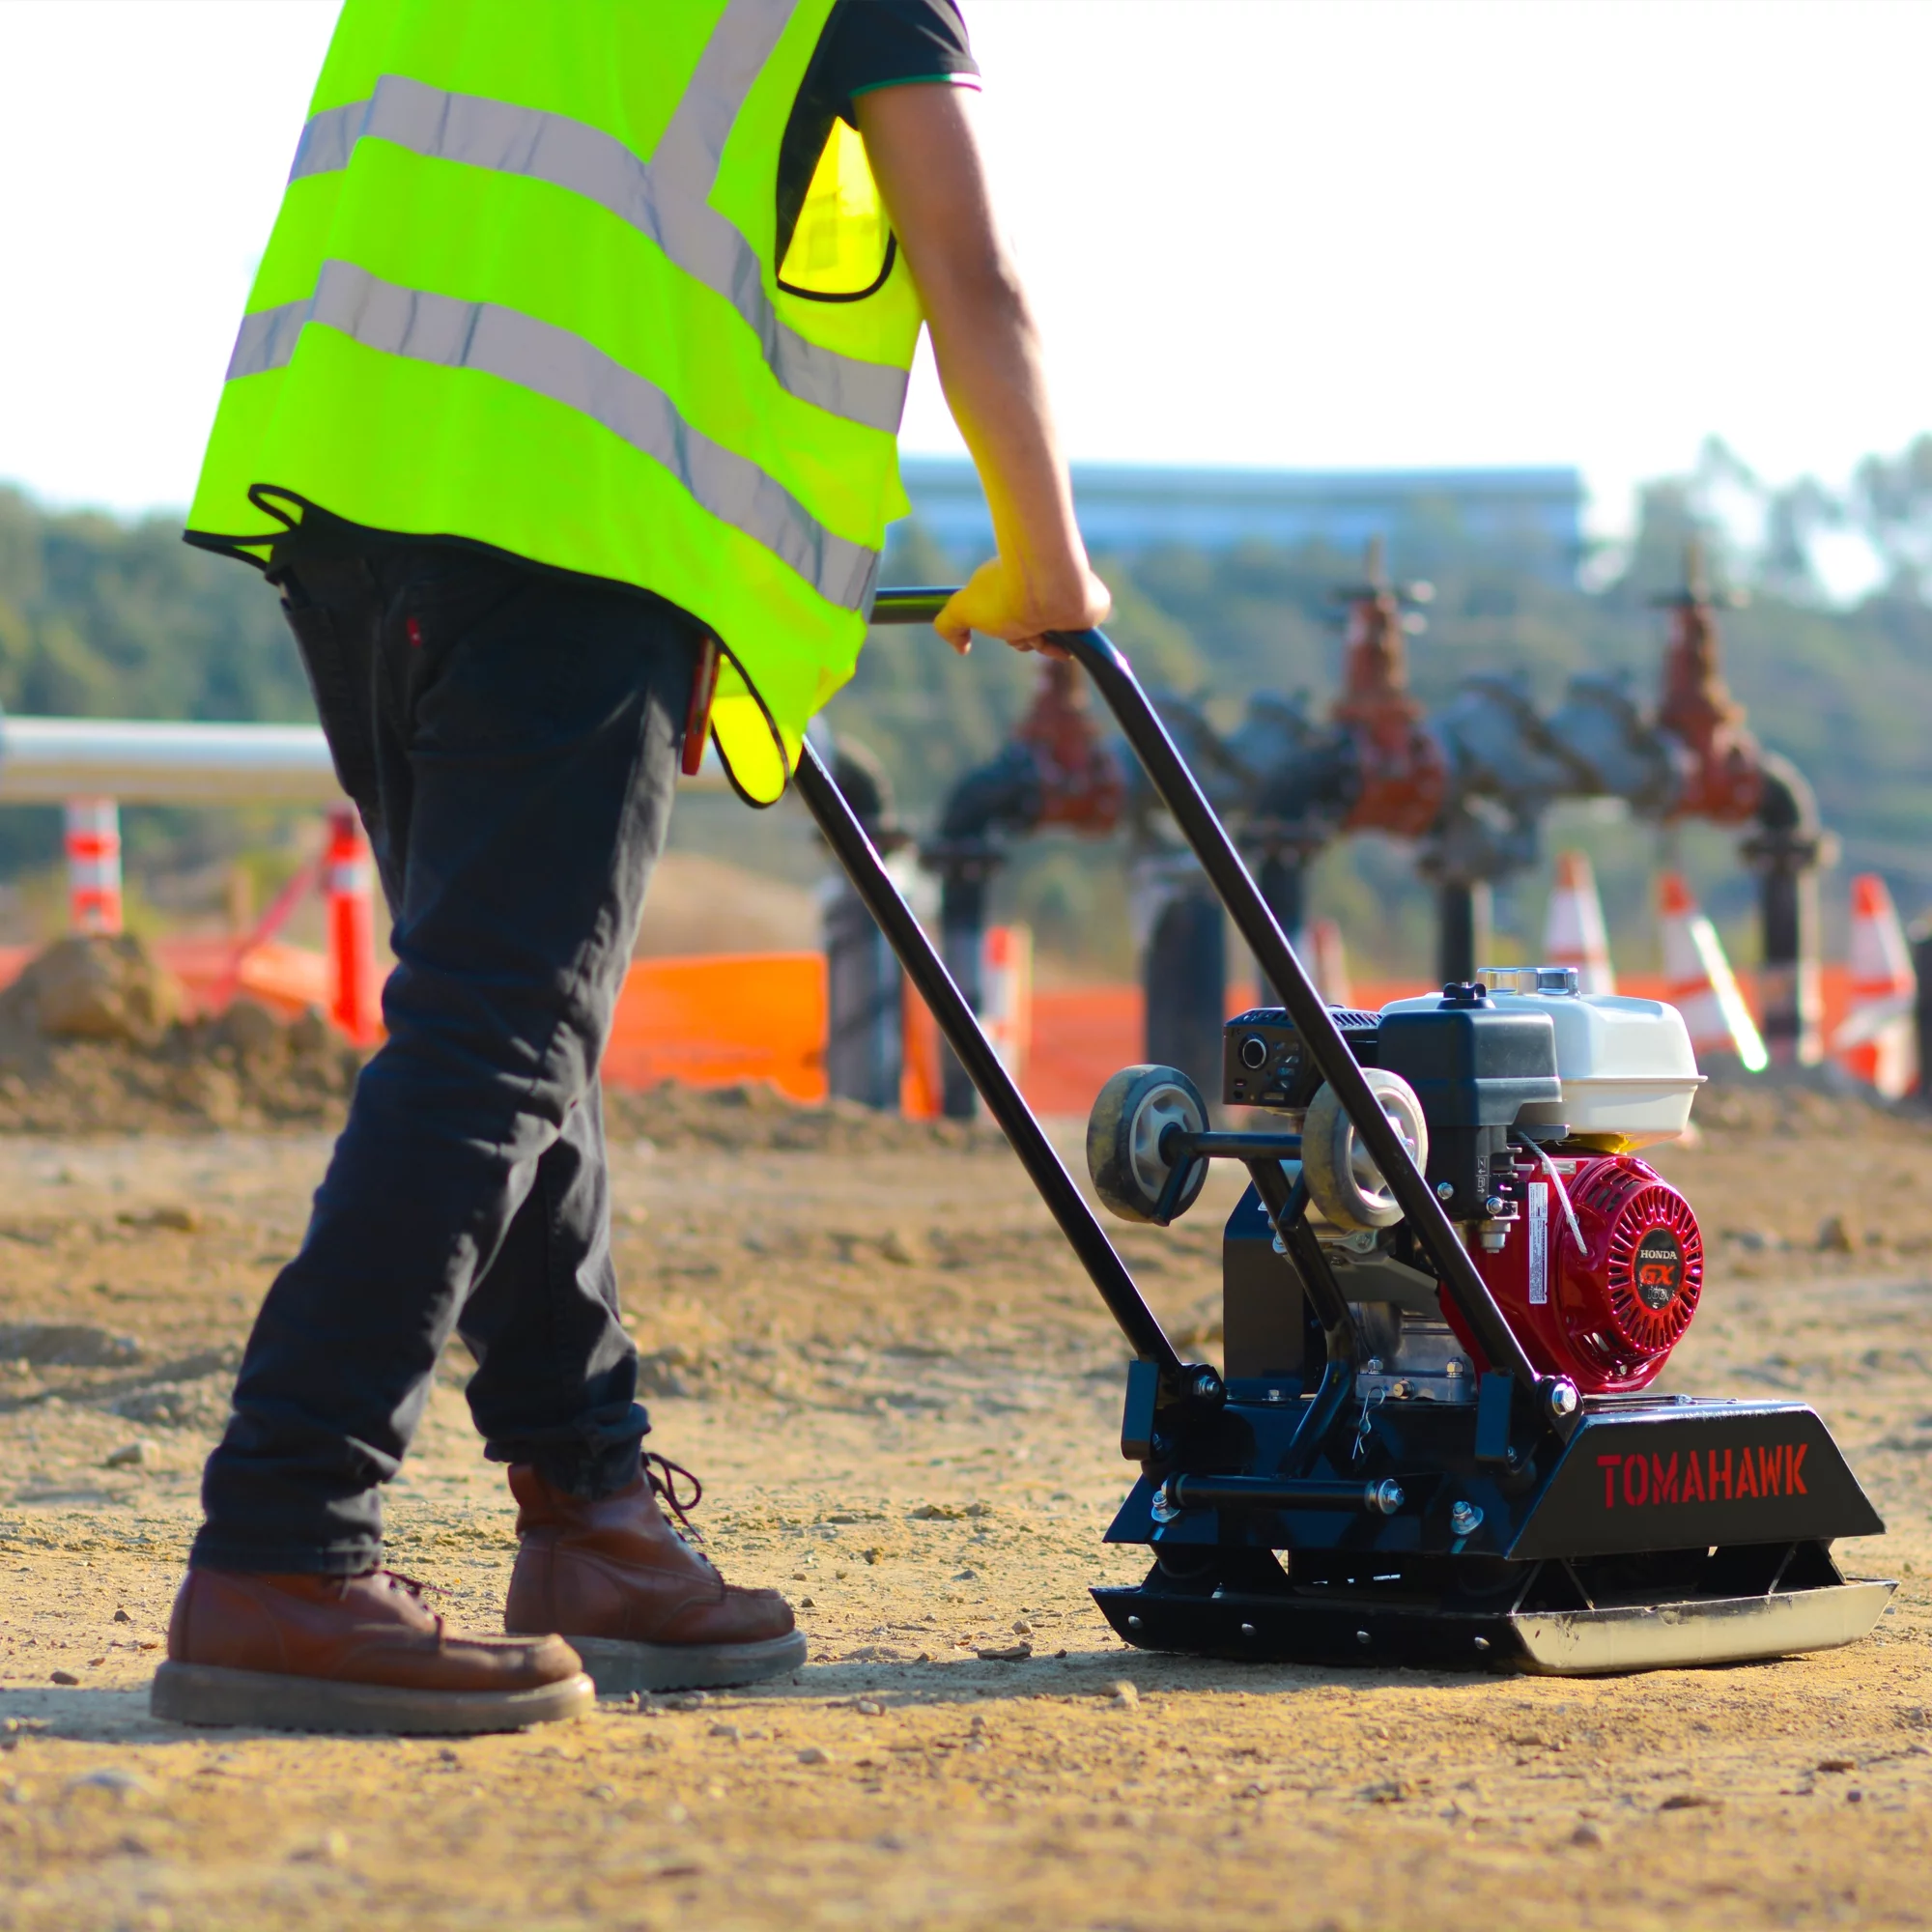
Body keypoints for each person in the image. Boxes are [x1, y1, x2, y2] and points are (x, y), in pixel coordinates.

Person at [156, 0, 1109, 1735]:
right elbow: (971, 267)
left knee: (512, 1020)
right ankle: (285, 1545)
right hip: (573, 522)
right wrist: (1048, 562)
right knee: (498, 1034)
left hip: (356, 495)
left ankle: (591, 1508)